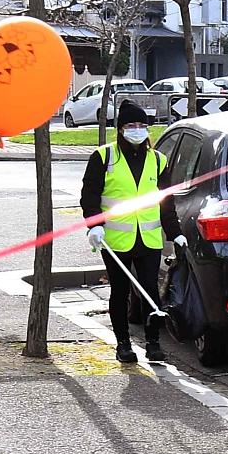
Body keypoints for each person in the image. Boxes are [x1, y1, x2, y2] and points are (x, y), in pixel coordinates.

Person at [80, 99, 184, 364]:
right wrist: (94, 226)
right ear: (121, 129)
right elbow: (89, 196)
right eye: (130, 125)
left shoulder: (158, 160)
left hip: (148, 238)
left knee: (149, 288)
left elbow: (166, 201)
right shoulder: (104, 157)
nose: (137, 130)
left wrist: (175, 232)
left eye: (141, 125)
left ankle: (153, 343)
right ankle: (123, 344)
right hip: (115, 239)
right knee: (120, 290)